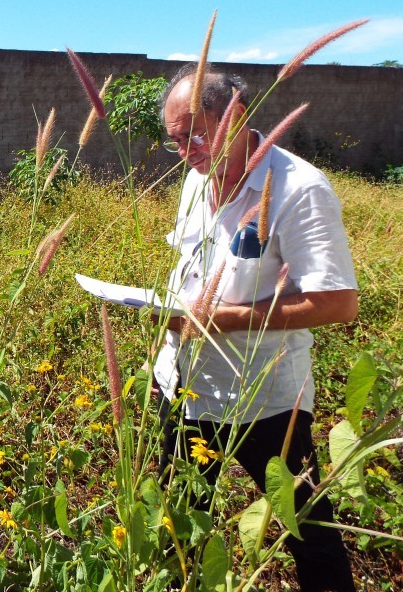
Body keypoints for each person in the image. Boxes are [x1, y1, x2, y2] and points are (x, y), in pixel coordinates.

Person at [151, 65, 358, 591]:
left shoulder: (299, 188)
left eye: (195, 135)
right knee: (178, 527)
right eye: (176, 142)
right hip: (186, 387)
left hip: (264, 399)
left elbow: (337, 302)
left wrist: (225, 320)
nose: (187, 153)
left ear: (237, 117)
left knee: (307, 529)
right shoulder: (196, 179)